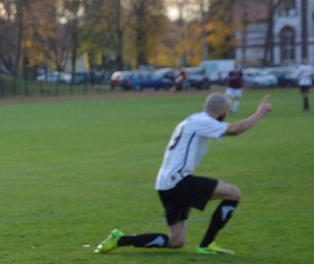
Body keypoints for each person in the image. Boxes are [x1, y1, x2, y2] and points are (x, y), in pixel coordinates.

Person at [95, 92, 272, 255]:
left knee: (176, 241)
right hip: (178, 181)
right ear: (223, 110)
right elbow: (235, 129)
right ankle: (207, 245)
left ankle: (120, 240)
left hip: (165, 184)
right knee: (233, 193)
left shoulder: (193, 120)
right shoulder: (203, 122)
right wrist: (260, 112)